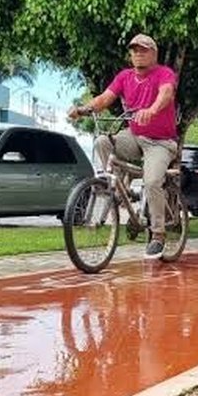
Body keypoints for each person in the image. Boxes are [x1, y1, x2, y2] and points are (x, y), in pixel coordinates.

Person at [68, 34, 178, 259]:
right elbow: (104, 99)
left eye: (143, 50)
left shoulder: (164, 73)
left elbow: (165, 94)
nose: (138, 53)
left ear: (154, 53)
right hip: (134, 136)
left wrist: (152, 110)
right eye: (134, 50)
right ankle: (117, 190)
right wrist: (83, 109)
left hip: (160, 142)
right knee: (102, 141)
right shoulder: (125, 76)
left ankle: (158, 235)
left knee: (151, 182)